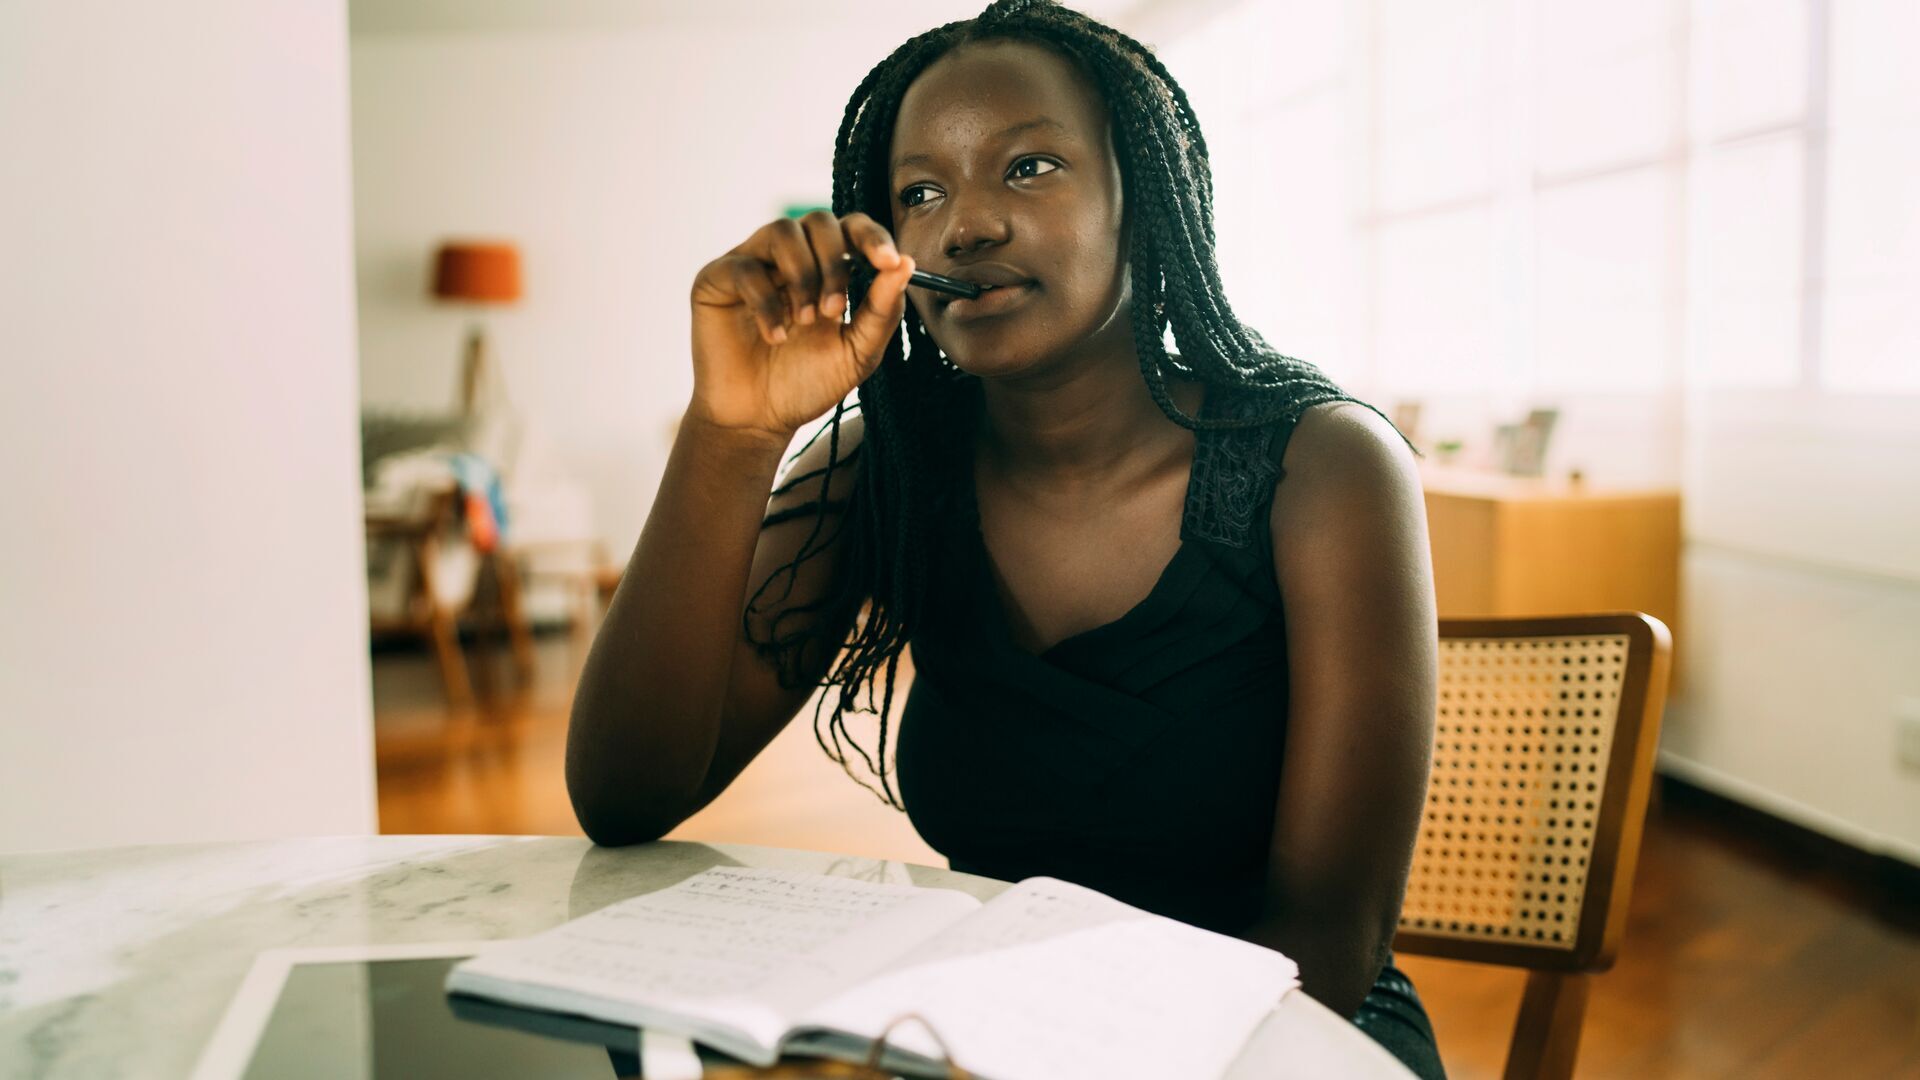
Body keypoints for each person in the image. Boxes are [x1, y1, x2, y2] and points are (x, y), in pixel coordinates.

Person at [565, 1, 1443, 1074]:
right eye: (919, 193)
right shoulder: (884, 469)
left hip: (1271, 1041)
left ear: (1144, 195)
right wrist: (733, 433)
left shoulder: (1325, 466)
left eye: (1029, 168)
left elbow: (1326, 944)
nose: (963, 227)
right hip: (987, 1029)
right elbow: (625, 794)